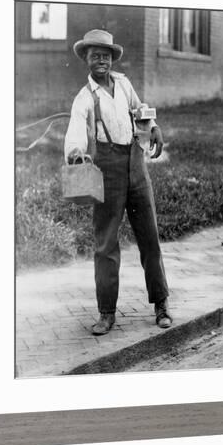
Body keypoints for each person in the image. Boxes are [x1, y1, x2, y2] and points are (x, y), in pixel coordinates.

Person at [64, 29, 172, 335]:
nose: (102, 60)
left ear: (112, 59)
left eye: (106, 55)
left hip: (136, 167)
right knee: (106, 244)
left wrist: (154, 128)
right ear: (86, 59)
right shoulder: (84, 98)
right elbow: (75, 130)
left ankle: (162, 303)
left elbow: (140, 111)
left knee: (149, 238)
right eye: (95, 55)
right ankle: (107, 312)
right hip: (107, 172)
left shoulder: (124, 84)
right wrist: (75, 153)